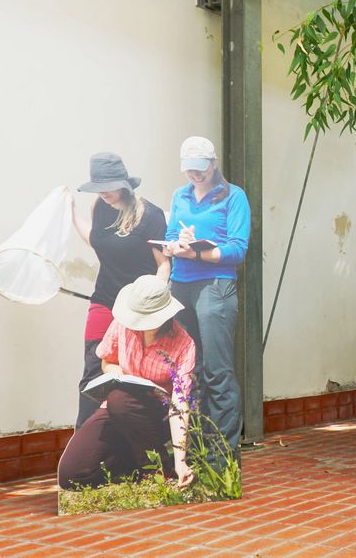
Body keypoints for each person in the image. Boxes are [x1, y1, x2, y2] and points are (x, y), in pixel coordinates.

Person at [57, 275, 196, 490]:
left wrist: (181, 460)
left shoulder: (184, 344)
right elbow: (107, 361)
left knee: (119, 399)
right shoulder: (121, 324)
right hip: (115, 410)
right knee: (71, 475)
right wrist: (117, 373)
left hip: (155, 417)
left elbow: (179, 403)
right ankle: (132, 461)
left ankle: (157, 469)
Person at [67, 152, 170, 429]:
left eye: (109, 187)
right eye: (98, 188)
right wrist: (72, 212)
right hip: (103, 300)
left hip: (139, 307)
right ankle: (85, 444)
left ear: (124, 184)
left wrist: (154, 302)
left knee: (135, 373)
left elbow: (163, 265)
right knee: (93, 370)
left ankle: (140, 446)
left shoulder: (151, 215)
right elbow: (97, 241)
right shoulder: (99, 208)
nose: (104, 194)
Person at [163, 136, 250, 460]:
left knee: (217, 371)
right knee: (188, 370)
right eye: (189, 170)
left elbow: (238, 248)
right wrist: (176, 244)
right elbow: (171, 236)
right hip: (181, 285)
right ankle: (194, 451)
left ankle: (223, 456)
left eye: (200, 169)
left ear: (214, 164)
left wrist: (199, 252)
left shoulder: (234, 196)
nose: (195, 176)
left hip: (215, 287)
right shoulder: (180, 195)